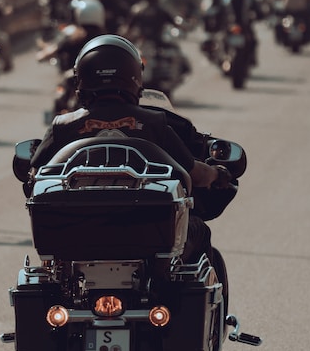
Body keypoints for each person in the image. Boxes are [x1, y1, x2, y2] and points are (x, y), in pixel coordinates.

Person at [29, 34, 226, 262]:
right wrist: (217, 174)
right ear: (134, 76)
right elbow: (195, 174)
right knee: (199, 231)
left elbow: (32, 175)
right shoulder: (155, 123)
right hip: (149, 234)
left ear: (80, 77)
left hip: (73, 235)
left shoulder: (63, 127)